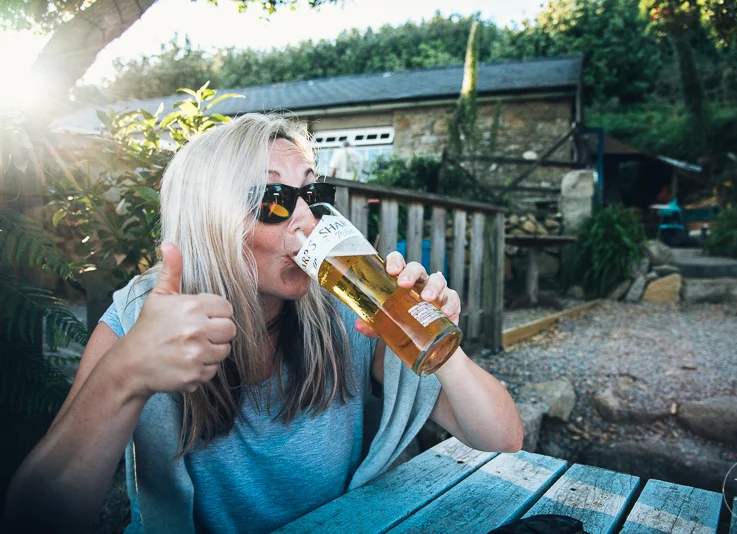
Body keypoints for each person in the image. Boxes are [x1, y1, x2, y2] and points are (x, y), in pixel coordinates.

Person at [4, 114, 522, 534]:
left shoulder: (350, 311)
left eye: (311, 196)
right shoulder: (145, 318)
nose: (306, 221)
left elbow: (501, 438)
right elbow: (36, 519)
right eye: (274, 200)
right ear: (210, 220)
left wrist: (433, 332)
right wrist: (123, 377)